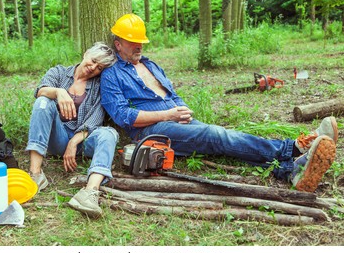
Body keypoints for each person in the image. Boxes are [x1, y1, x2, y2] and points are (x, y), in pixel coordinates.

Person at [100, 13, 338, 193]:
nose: (138, 45)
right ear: (118, 43)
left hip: (175, 119)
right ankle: (293, 148)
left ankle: (289, 171)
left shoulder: (151, 65)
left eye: (140, 40)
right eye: (132, 41)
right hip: (150, 131)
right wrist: (168, 115)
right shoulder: (112, 74)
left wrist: (181, 110)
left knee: (222, 137)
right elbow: (123, 116)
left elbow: (171, 95)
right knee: (214, 135)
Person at [26, 42, 118, 218]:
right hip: (56, 137)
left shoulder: (100, 86)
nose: (92, 68)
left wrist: (74, 142)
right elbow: (40, 92)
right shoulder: (59, 72)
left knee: (109, 133)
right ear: (85, 54)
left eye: (99, 67)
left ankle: (89, 193)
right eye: (92, 61)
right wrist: (59, 92)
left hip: (83, 141)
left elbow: (96, 119)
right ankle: (35, 174)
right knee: (42, 102)